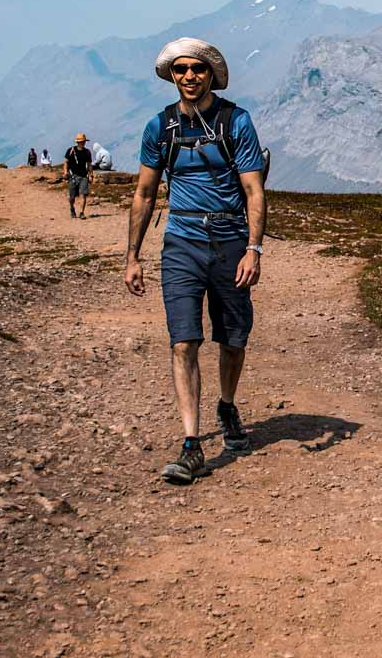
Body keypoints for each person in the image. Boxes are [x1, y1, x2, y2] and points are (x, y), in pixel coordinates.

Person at [125, 37, 266, 484]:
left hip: (229, 241)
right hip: (181, 242)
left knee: (233, 338)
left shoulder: (236, 122)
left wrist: (253, 248)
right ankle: (191, 445)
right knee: (183, 341)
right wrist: (132, 256)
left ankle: (226, 406)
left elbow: (253, 190)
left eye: (198, 69)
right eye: (181, 69)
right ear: (171, 75)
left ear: (211, 75)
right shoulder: (159, 128)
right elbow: (145, 193)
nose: (189, 76)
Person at [64, 133, 93, 218]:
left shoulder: (87, 152)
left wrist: (91, 175)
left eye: (83, 141)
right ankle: (72, 208)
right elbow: (66, 162)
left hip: (84, 176)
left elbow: (89, 164)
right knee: (72, 197)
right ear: (78, 142)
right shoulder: (71, 151)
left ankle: (81, 212)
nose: (83, 143)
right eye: (82, 141)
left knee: (83, 194)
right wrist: (65, 172)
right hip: (73, 176)